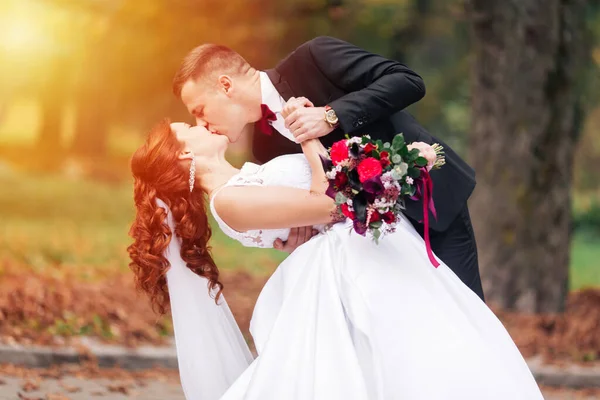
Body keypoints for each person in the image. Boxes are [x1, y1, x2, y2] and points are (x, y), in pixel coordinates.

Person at [127, 120, 544, 399]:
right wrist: (310, 143)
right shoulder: (229, 200)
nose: (202, 123)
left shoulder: (244, 180)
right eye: (189, 127)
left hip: (361, 254)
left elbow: (312, 207)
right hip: (343, 271)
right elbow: (328, 204)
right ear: (184, 157)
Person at [171, 36, 484, 300]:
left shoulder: (314, 58)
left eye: (200, 110)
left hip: (428, 205)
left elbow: (408, 81)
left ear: (225, 85)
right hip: (374, 248)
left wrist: (331, 115)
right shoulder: (263, 147)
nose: (202, 124)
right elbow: (315, 203)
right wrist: (294, 239)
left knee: (463, 323)